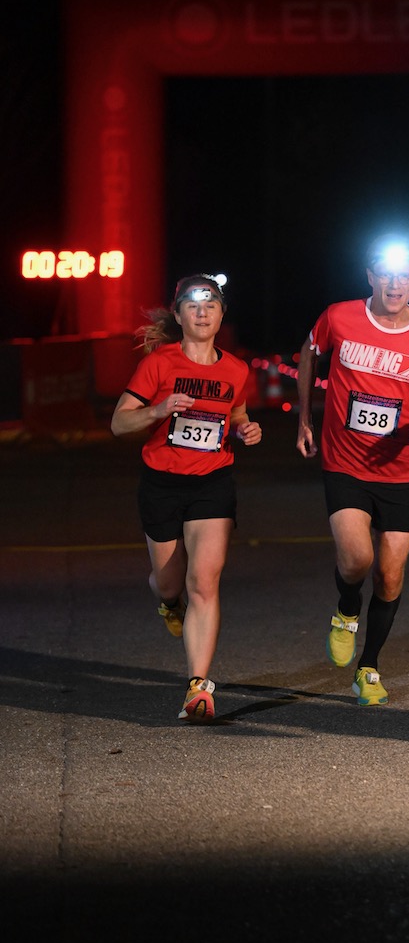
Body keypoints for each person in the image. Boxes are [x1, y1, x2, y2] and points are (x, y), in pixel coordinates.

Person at [296, 235, 409, 705]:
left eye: (404, 275)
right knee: (357, 560)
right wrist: (305, 417)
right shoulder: (339, 316)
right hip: (345, 460)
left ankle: (368, 667)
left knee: (390, 576)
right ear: (370, 276)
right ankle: (347, 609)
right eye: (385, 274)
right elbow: (309, 352)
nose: (395, 283)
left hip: (402, 469)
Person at [110, 274, 262, 722]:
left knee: (204, 582)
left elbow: (236, 414)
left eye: (211, 304)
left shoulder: (236, 369)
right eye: (192, 306)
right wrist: (157, 410)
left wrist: (244, 428)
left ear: (221, 314)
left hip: (212, 483)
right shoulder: (160, 362)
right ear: (178, 315)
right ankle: (166, 601)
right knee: (171, 583)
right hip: (162, 483)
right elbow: (119, 423)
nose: (202, 312)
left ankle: (199, 687)